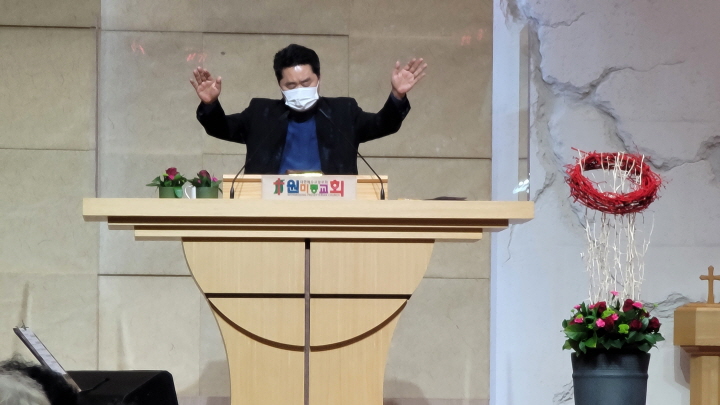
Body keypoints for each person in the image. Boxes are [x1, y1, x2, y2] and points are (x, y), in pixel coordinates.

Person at [192, 44, 427, 174]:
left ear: (319, 78)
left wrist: (397, 95)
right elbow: (221, 128)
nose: (300, 90)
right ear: (280, 85)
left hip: (332, 210)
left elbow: (383, 124)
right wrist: (210, 104)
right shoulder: (261, 113)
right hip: (272, 211)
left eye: (306, 83)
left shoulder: (343, 112)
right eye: (291, 85)